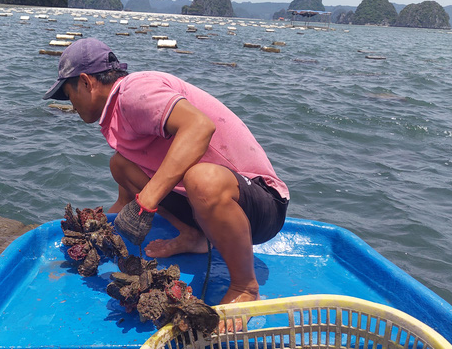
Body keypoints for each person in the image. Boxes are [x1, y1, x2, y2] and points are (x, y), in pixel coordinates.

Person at [44, 38, 289, 306]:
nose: (71, 105)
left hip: (261, 205)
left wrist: (147, 201)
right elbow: (125, 203)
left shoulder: (134, 92)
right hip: (203, 206)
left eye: (69, 95)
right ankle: (194, 236)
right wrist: (94, 231)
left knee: (201, 179)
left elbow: (199, 127)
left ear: (86, 82)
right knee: (120, 164)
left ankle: (244, 285)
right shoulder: (115, 116)